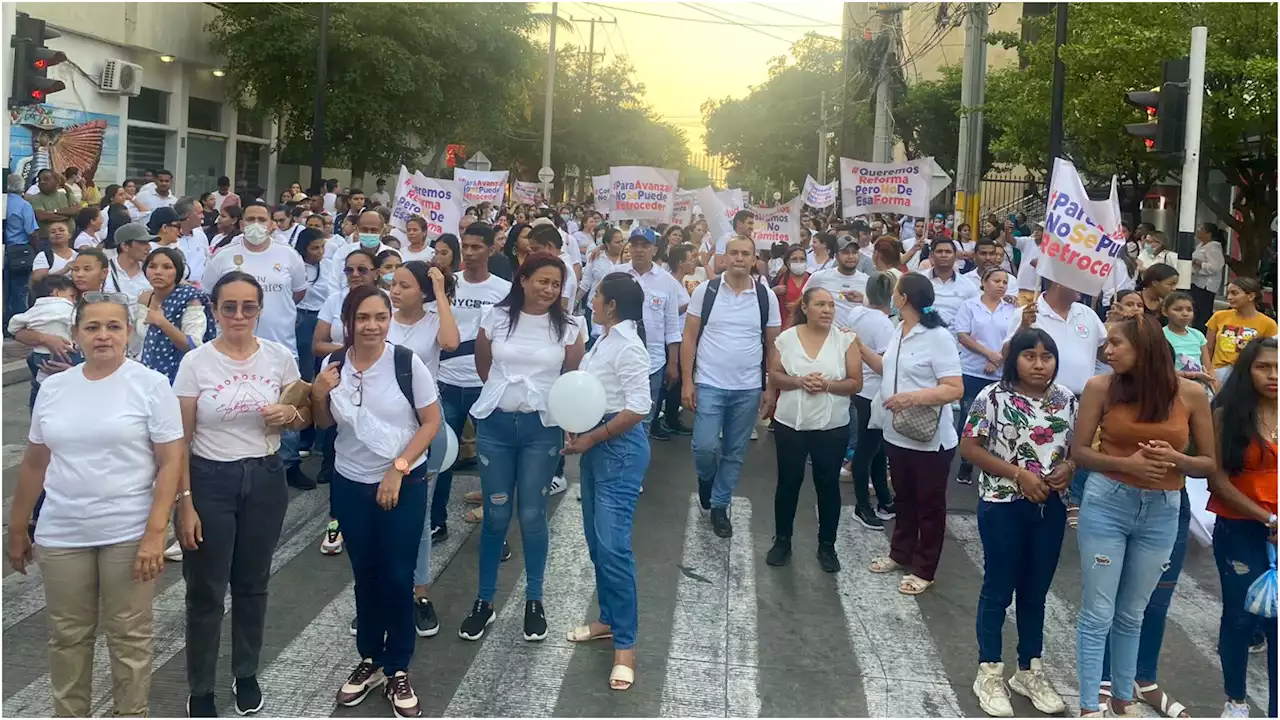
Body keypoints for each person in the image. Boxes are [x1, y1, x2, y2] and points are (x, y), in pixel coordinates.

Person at [6, 291, 184, 717]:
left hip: (128, 532)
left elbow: (170, 461)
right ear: (75, 335)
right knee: (68, 636)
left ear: (128, 333)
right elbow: (35, 462)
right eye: (93, 327)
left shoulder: (151, 385)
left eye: (113, 327)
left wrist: (155, 533)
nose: (103, 336)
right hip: (62, 532)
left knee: (129, 636)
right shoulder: (54, 388)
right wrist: (16, 528)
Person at [174, 272, 311, 717]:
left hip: (266, 478)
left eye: (247, 307)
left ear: (259, 310)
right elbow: (180, 439)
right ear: (213, 310)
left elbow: (304, 411)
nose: (238, 315)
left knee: (253, 584)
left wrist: (291, 412)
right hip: (210, 479)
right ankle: (201, 687)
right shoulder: (196, 363)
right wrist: (185, 501)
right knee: (206, 590)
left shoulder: (278, 357)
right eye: (228, 307)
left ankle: (246, 672)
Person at [1070, 316, 1216, 717]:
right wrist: (1129, 466)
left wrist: (1177, 459)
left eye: (1116, 343)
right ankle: (1088, 707)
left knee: (1134, 612)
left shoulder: (1191, 394)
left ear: (1144, 348)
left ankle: (1122, 698)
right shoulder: (1101, 387)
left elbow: (1208, 463)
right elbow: (1079, 452)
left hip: (1163, 511)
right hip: (1107, 504)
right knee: (1098, 610)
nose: (1107, 351)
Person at [312, 284, 441, 718]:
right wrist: (317, 393)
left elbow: (431, 422)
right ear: (348, 321)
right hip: (350, 483)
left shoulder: (406, 363)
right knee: (365, 574)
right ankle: (369, 658)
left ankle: (398, 666)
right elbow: (324, 422)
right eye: (362, 318)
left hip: (402, 482)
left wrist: (398, 468)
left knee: (397, 574)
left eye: (379, 318)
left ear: (389, 320)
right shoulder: (334, 364)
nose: (371, 326)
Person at [460, 252, 584, 642]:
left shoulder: (569, 327)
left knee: (532, 514)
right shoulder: (496, 317)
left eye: (555, 284)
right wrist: (505, 396)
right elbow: (485, 367)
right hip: (495, 426)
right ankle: (484, 602)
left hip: (540, 430)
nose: (548, 290)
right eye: (542, 281)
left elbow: (571, 379)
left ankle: (534, 600)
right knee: (496, 514)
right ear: (524, 278)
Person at [960, 328, 1076, 717]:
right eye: (1030, 356)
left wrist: (1069, 466)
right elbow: (970, 447)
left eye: (1047, 356)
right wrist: (1018, 474)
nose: (1039, 364)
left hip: (1050, 507)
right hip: (1002, 504)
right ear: (1015, 359)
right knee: (998, 589)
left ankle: (1029, 669)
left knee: (1035, 592)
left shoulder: (1067, 400)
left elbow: (1077, 447)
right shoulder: (992, 397)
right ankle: (989, 671)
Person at [563, 272, 651, 692]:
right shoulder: (605, 340)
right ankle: (606, 620)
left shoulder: (628, 346)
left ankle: (626, 647)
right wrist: (575, 427)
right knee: (597, 543)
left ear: (611, 304)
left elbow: (638, 407)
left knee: (614, 548)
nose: (592, 300)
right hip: (596, 443)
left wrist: (592, 437)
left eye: (596, 295)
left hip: (617, 447)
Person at [865, 273, 964, 595]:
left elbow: (954, 388)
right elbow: (888, 370)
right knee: (904, 499)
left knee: (929, 506)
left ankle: (925, 568)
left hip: (930, 439)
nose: (892, 295)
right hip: (897, 433)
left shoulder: (937, 337)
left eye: (895, 291)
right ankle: (900, 553)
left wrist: (911, 398)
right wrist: (856, 346)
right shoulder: (899, 329)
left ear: (904, 298)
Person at [201, 202, 311, 488]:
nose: (256, 224)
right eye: (250, 218)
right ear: (240, 223)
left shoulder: (289, 256)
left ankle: (288, 464)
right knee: (238, 401)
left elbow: (297, 293)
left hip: (281, 344)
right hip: (233, 347)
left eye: (262, 219)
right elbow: (210, 293)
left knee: (286, 406)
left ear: (272, 224)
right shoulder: (225, 257)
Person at [682, 235, 781, 537]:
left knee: (734, 451)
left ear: (754, 259)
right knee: (704, 446)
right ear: (724, 258)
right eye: (734, 253)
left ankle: (720, 505)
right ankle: (706, 480)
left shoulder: (765, 297)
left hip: (748, 387)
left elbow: (773, 344)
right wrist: (687, 380)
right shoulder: (706, 291)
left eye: (745, 254)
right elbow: (689, 337)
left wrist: (770, 387)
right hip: (709, 382)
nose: (739, 258)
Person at [766, 287, 862, 571]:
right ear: (805, 308)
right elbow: (776, 375)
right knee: (788, 483)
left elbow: (855, 383)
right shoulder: (786, 339)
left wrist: (827, 385)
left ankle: (827, 545)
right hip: (790, 424)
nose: (827, 310)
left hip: (831, 426)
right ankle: (782, 540)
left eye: (831, 305)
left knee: (827, 485)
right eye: (820, 304)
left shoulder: (846, 340)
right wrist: (799, 382)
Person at [1208, 337, 1278, 719]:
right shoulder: (1226, 415)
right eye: (1263, 367)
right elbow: (1218, 481)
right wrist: (1268, 519)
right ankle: (1235, 702)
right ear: (1247, 369)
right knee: (1240, 617)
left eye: (1279, 367)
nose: (1273, 375)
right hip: (1240, 529)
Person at [388, 260, 459, 636]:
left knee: (418, 516)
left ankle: (419, 594)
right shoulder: (381, 318)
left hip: (424, 426)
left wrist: (442, 295)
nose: (396, 291)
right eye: (393, 283)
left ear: (423, 292)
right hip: (380, 428)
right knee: (379, 518)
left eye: (405, 285)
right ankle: (383, 594)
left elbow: (450, 342)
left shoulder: (434, 321)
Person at [432, 223, 511, 540]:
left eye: (477, 247)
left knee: (492, 461)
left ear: (492, 249)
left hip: (484, 387)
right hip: (446, 384)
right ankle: (436, 522)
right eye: (465, 246)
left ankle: (497, 531)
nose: (470, 252)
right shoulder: (448, 285)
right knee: (442, 457)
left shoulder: (503, 290)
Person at [613, 229, 687, 442]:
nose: (638, 250)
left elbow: (672, 325)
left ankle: (636, 464)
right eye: (634, 245)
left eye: (644, 246)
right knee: (616, 412)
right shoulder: (616, 275)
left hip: (652, 362)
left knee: (644, 418)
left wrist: (673, 364)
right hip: (618, 357)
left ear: (654, 249)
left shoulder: (668, 282)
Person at [953, 267, 1018, 484]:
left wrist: (998, 358)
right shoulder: (969, 305)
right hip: (972, 369)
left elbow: (1014, 336)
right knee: (969, 416)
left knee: (998, 419)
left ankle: (992, 463)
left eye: (1004, 282)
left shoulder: (1012, 309)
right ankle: (966, 462)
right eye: (996, 280)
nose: (1001, 285)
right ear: (984, 282)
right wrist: (988, 354)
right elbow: (963, 334)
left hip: (1001, 372)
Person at [846, 272, 897, 529]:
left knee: (878, 450)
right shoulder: (885, 325)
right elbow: (884, 366)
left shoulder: (857, 314)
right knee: (867, 451)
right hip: (875, 391)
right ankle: (862, 505)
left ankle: (885, 499)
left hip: (862, 390)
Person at [137, 247, 212, 383]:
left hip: (180, 377)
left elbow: (193, 346)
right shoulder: (145, 298)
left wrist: (162, 322)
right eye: (152, 266)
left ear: (177, 272)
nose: (158, 272)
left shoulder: (190, 300)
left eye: (167, 267)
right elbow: (137, 342)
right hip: (145, 374)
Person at [1207, 277, 1278, 384]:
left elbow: (1272, 353)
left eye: (1234, 293)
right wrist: (1209, 371)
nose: (1229, 297)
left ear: (1251, 296)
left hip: (1249, 375)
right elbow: (1208, 348)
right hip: (1218, 373)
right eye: (1228, 293)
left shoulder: (1268, 323)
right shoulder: (1219, 316)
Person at [803, 235, 869, 329]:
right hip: (826, 336)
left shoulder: (867, 281)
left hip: (855, 338)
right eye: (845, 253)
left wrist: (863, 299)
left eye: (854, 252)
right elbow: (805, 301)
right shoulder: (819, 277)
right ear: (836, 255)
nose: (851, 257)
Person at [1161, 291, 1216, 393]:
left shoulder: (1198, 335)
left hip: (1200, 385)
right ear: (1165, 311)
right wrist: (1194, 375)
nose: (1185, 313)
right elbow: (1162, 372)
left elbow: (1208, 367)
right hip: (1174, 384)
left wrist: (1214, 387)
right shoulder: (1161, 335)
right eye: (1178, 309)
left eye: (1189, 310)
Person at [5, 173, 40, 331]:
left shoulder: (3, 202)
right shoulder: (24, 205)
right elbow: (31, 232)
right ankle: (17, 327)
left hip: (4, 248)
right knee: (20, 290)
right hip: (20, 250)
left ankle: (4, 325)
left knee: (4, 289)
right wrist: (37, 250)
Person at [920, 237, 979, 326]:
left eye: (948, 252)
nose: (944, 255)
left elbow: (974, 315)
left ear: (955, 256)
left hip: (955, 336)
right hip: (924, 333)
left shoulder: (968, 286)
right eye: (939, 252)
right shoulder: (920, 281)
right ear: (931, 256)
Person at [1190, 222, 1226, 330]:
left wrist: (1199, 263)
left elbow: (1215, 267)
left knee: (1203, 311)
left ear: (1208, 233)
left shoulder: (1213, 247)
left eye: (1201, 229)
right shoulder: (1200, 245)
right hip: (1197, 282)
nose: (1198, 231)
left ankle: (1204, 332)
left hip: (1206, 285)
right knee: (1196, 310)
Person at [772, 245, 810, 330]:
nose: (799, 262)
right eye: (794, 259)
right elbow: (767, 296)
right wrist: (773, 291)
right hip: (784, 327)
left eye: (802, 259)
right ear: (787, 262)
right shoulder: (779, 279)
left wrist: (798, 303)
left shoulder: (812, 278)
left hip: (807, 327)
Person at [30, 220, 77, 286]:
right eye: (53, 232)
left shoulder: (78, 255)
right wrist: (64, 270)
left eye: (61, 230)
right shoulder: (44, 256)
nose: (57, 233)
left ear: (69, 235)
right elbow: (37, 278)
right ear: (49, 237)